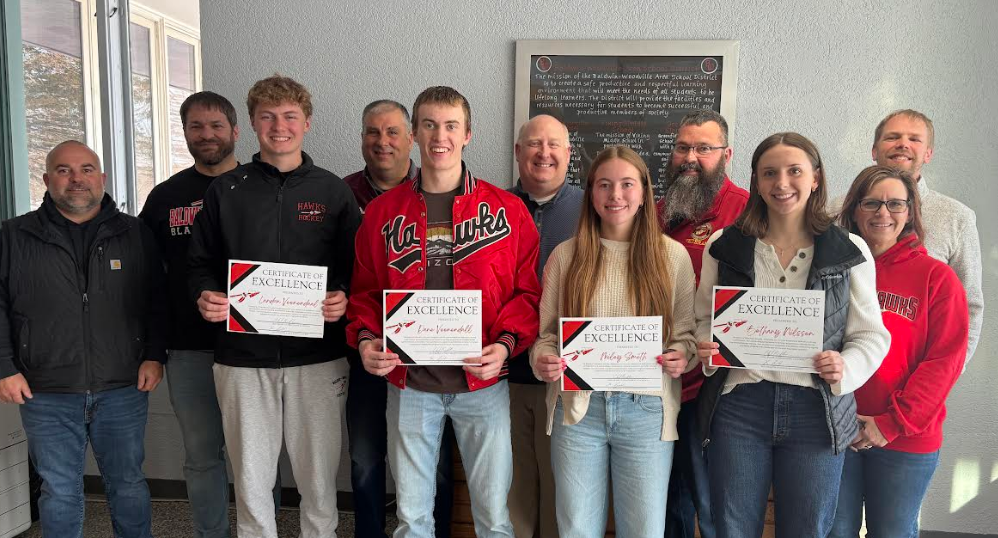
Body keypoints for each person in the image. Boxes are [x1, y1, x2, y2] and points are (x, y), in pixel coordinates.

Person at [347, 86, 541, 538]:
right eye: (430, 124)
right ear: (414, 133)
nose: (441, 136)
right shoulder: (380, 214)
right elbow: (364, 294)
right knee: (412, 518)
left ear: (468, 133)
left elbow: (529, 294)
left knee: (493, 516)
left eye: (451, 125)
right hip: (411, 384)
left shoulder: (508, 211)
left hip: (482, 384)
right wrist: (366, 340)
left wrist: (505, 345)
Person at [188, 75, 361, 538]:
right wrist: (205, 294)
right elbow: (199, 263)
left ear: (307, 123)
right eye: (267, 116)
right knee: (250, 478)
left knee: (319, 478)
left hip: (318, 359)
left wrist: (342, 294)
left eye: (288, 116)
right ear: (252, 124)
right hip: (242, 361)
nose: (278, 126)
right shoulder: (226, 190)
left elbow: (356, 267)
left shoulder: (333, 191)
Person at [694, 133, 891, 538]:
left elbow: (871, 336)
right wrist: (708, 349)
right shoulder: (723, 246)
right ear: (756, 181)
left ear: (815, 178)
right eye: (770, 173)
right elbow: (702, 321)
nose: (782, 183)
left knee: (807, 530)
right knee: (732, 528)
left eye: (794, 171)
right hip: (740, 407)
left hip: (815, 411)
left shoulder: (850, 250)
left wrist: (846, 366)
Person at [0, 140, 167, 538]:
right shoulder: (13, 235)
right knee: (59, 491)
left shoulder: (135, 233)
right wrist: (4, 366)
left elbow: (158, 300)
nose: (77, 179)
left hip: (123, 386)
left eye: (87, 169)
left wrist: (155, 355)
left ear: (102, 178)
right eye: (64, 170)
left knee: (127, 483)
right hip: (45, 390)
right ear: (46, 179)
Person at [531, 145, 697, 537]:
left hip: (646, 413)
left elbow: (686, 336)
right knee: (576, 529)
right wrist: (545, 359)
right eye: (604, 185)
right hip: (578, 411)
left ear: (643, 193)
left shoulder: (672, 258)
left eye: (626, 184)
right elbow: (547, 337)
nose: (615, 195)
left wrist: (680, 356)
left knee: (643, 530)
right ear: (590, 194)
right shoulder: (565, 257)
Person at [140, 90, 285, 538]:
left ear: (236, 131)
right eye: (196, 127)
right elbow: (150, 280)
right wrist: (153, 348)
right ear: (184, 133)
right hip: (190, 349)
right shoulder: (165, 198)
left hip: (254, 347)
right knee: (202, 455)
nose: (207, 135)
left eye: (216, 126)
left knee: (260, 458)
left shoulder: (265, 187)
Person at [830, 166, 967, 538]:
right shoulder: (831, 271)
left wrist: (890, 424)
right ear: (854, 209)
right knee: (834, 530)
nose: (883, 213)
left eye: (895, 203)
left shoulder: (937, 278)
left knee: (892, 531)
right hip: (835, 430)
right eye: (871, 202)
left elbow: (944, 362)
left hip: (905, 438)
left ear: (910, 211)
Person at [341, 99, 454, 538]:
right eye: (372, 132)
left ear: (412, 138)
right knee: (365, 455)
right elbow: (348, 275)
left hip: (431, 362)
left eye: (392, 132)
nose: (382, 142)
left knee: (436, 462)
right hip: (369, 349)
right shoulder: (341, 194)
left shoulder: (448, 194)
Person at [656, 110, 748, 538]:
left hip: (713, 384)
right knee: (669, 500)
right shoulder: (654, 211)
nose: (690, 157)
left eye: (703, 149)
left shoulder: (747, 213)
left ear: (726, 154)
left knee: (711, 502)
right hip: (658, 378)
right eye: (682, 147)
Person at [507, 114, 583, 538]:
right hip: (506, 372)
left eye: (554, 144)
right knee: (515, 484)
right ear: (518, 152)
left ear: (569, 154)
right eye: (534, 144)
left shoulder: (593, 209)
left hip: (569, 377)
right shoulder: (490, 208)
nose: (544, 153)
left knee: (562, 490)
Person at [869, 110, 981, 367]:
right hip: (845, 376)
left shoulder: (957, 217)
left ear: (928, 153)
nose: (903, 144)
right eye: (893, 137)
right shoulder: (839, 210)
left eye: (914, 139)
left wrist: (944, 375)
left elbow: (969, 305)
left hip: (919, 378)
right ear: (874, 150)